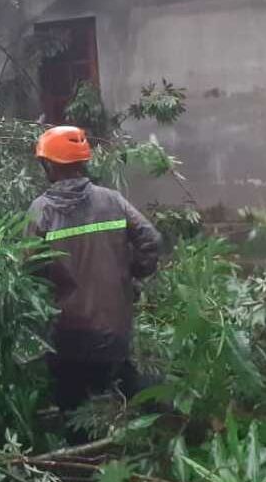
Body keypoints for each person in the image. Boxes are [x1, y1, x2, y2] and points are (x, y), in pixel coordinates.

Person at [27, 126, 164, 411]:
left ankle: (81, 451)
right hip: (115, 329)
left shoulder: (42, 211)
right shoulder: (113, 201)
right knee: (122, 396)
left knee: (73, 409)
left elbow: (28, 272)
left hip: (68, 335)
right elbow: (151, 240)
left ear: (49, 165)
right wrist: (130, 274)